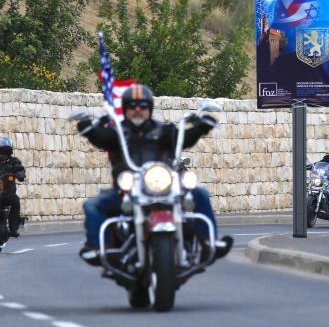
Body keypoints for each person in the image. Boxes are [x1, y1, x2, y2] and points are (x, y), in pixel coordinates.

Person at [76, 84, 233, 265]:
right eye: (132, 106)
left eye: (142, 106)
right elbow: (101, 138)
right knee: (92, 205)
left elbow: (184, 138)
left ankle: (209, 242)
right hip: (127, 191)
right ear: (125, 109)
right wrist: (88, 128)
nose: (138, 110)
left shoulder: (162, 131)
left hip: (162, 187)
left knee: (200, 194)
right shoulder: (118, 132)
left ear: (149, 108)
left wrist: (201, 127)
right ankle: (99, 249)